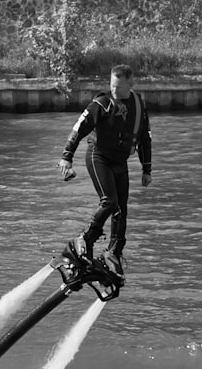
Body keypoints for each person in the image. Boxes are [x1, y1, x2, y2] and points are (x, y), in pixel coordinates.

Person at [58, 65, 153, 277]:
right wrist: (67, 157)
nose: (114, 91)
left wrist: (147, 169)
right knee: (109, 201)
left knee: (121, 208)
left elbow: (145, 138)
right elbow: (79, 127)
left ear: (131, 84)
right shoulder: (102, 103)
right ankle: (85, 238)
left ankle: (113, 253)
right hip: (98, 156)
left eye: (118, 87)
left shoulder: (139, 105)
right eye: (112, 85)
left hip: (120, 161)